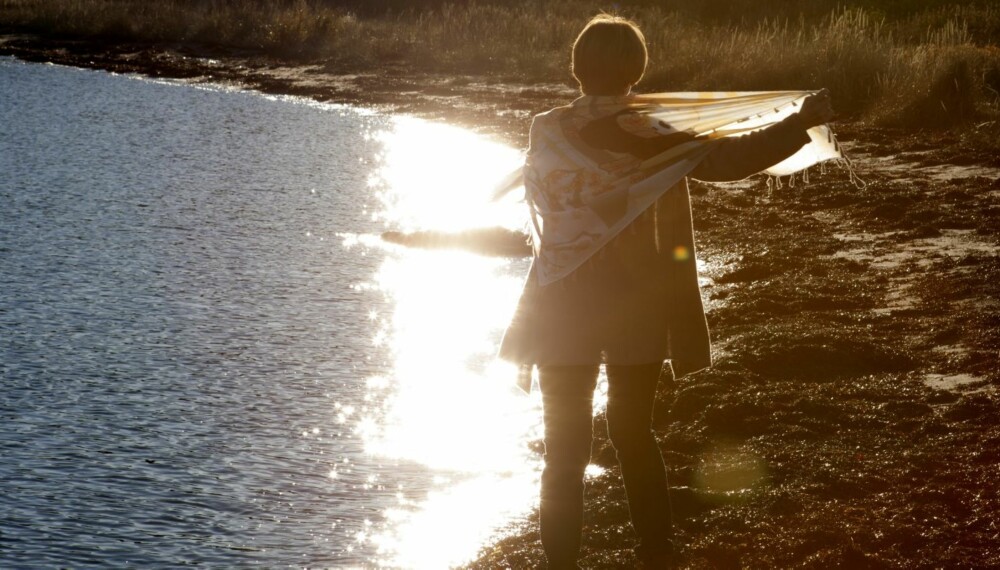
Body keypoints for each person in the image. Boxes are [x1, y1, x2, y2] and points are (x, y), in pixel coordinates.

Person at [497, 14, 835, 569]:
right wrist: (798, 123)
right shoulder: (652, 132)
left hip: (561, 302)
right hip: (637, 299)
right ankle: (657, 556)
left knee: (563, 450)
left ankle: (559, 565)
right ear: (638, 70)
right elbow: (729, 162)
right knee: (632, 432)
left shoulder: (545, 128)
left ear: (576, 68)